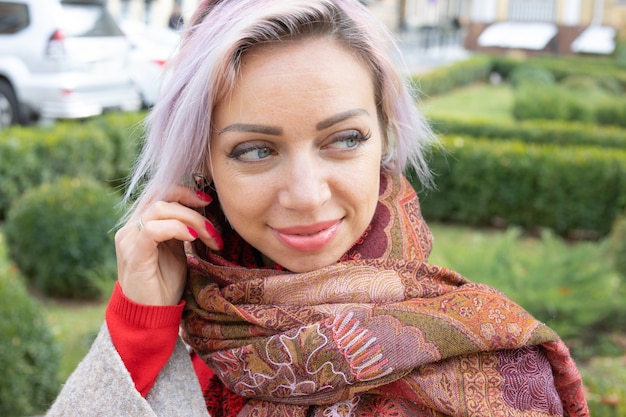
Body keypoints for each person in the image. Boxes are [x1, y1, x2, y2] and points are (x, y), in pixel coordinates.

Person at [46, 1, 589, 416]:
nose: (306, 195)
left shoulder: (495, 357)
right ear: (203, 165)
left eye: (344, 139)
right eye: (256, 150)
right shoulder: (189, 344)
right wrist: (139, 330)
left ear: (385, 139)